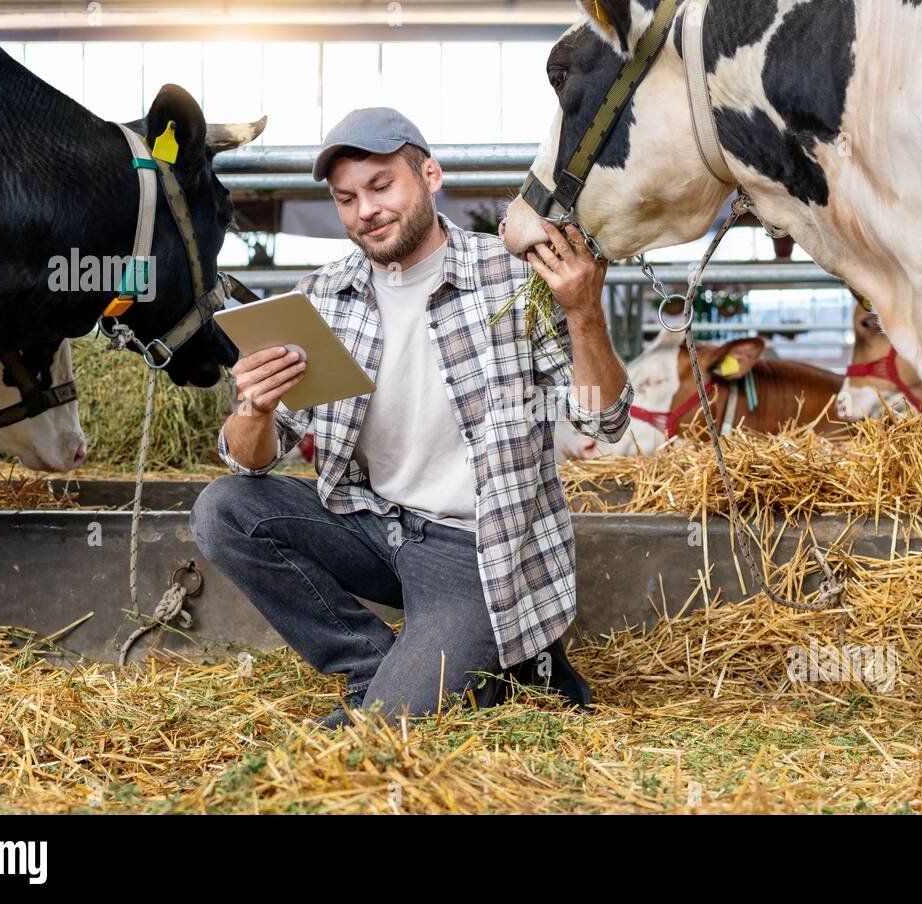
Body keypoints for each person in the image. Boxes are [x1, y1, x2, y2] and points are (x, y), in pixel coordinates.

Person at [190, 107, 634, 727]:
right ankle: (374, 665)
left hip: (476, 551)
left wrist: (585, 312)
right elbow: (250, 460)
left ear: (430, 176)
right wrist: (254, 407)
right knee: (222, 507)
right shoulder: (323, 295)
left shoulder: (511, 277)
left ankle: (430, 684)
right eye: (346, 198)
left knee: (381, 731)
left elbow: (605, 422)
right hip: (374, 526)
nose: (365, 210)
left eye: (380, 187)